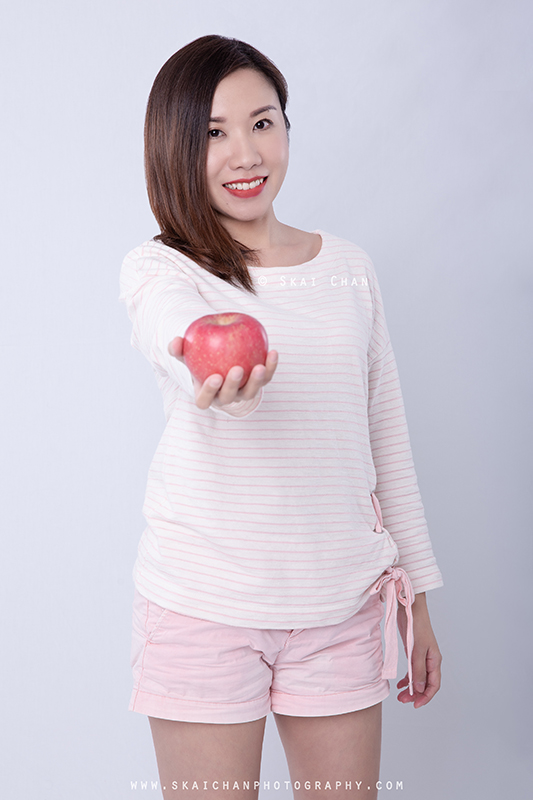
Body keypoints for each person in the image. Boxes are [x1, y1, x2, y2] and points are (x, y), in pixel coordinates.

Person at [119, 34, 443, 800]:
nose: (244, 153)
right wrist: (201, 350)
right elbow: (166, 326)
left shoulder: (348, 269)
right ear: (174, 146)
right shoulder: (163, 269)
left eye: (262, 123)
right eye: (213, 132)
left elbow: (384, 438)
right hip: (203, 606)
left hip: (341, 606)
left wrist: (419, 604)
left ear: (287, 129)